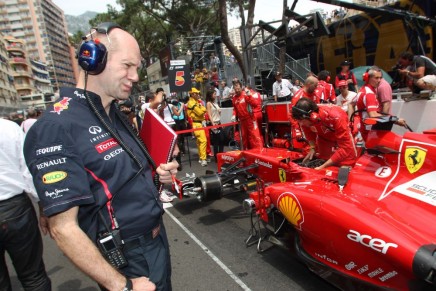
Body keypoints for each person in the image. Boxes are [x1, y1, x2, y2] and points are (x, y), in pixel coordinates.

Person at [23, 23, 177, 291]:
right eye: (127, 65)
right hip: (129, 259)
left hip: (155, 241)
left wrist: (159, 174)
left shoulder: (112, 112)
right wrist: (123, 286)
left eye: (137, 67)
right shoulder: (56, 126)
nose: (136, 76)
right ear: (92, 58)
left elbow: (121, 175)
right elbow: (63, 229)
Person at [1, 118, 52, 291]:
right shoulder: (8, 128)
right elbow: (29, 170)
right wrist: (42, 205)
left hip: (15, 207)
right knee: (33, 276)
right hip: (15, 211)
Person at [291, 98, 357, 170]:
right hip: (324, 140)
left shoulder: (337, 116)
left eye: (301, 121)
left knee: (345, 167)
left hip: (343, 142)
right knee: (323, 163)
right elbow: (308, 132)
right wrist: (312, 148)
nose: (301, 124)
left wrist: (323, 166)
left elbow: (345, 148)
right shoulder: (306, 118)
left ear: (313, 116)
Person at [352, 66, 406, 141]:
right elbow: (373, 115)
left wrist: (351, 121)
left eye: (380, 78)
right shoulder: (369, 94)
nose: (379, 80)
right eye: (376, 78)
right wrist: (395, 120)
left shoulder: (363, 90)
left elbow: (351, 104)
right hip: (371, 131)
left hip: (368, 130)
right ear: (368, 78)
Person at [231, 79, 263, 150]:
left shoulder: (245, 94)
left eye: (238, 88)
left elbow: (255, 104)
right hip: (242, 121)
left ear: (241, 87)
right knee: (244, 137)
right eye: (235, 89)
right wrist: (234, 115)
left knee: (254, 136)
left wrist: (250, 96)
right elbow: (235, 109)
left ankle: (259, 150)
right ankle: (247, 152)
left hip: (250, 119)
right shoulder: (234, 99)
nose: (237, 90)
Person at [186, 87, 208, 166]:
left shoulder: (196, 102)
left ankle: (201, 158)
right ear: (192, 94)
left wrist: (202, 109)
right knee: (203, 141)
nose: (198, 94)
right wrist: (202, 109)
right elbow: (200, 112)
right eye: (196, 93)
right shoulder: (191, 103)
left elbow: (203, 109)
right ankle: (203, 159)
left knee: (199, 142)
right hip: (196, 124)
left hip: (199, 123)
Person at [206, 90, 225, 162]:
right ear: (211, 95)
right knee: (216, 140)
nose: (215, 95)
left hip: (219, 122)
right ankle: (217, 157)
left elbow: (219, 113)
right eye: (214, 94)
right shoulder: (209, 103)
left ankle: (220, 154)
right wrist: (213, 123)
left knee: (222, 139)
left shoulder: (215, 103)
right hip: (214, 123)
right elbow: (209, 114)